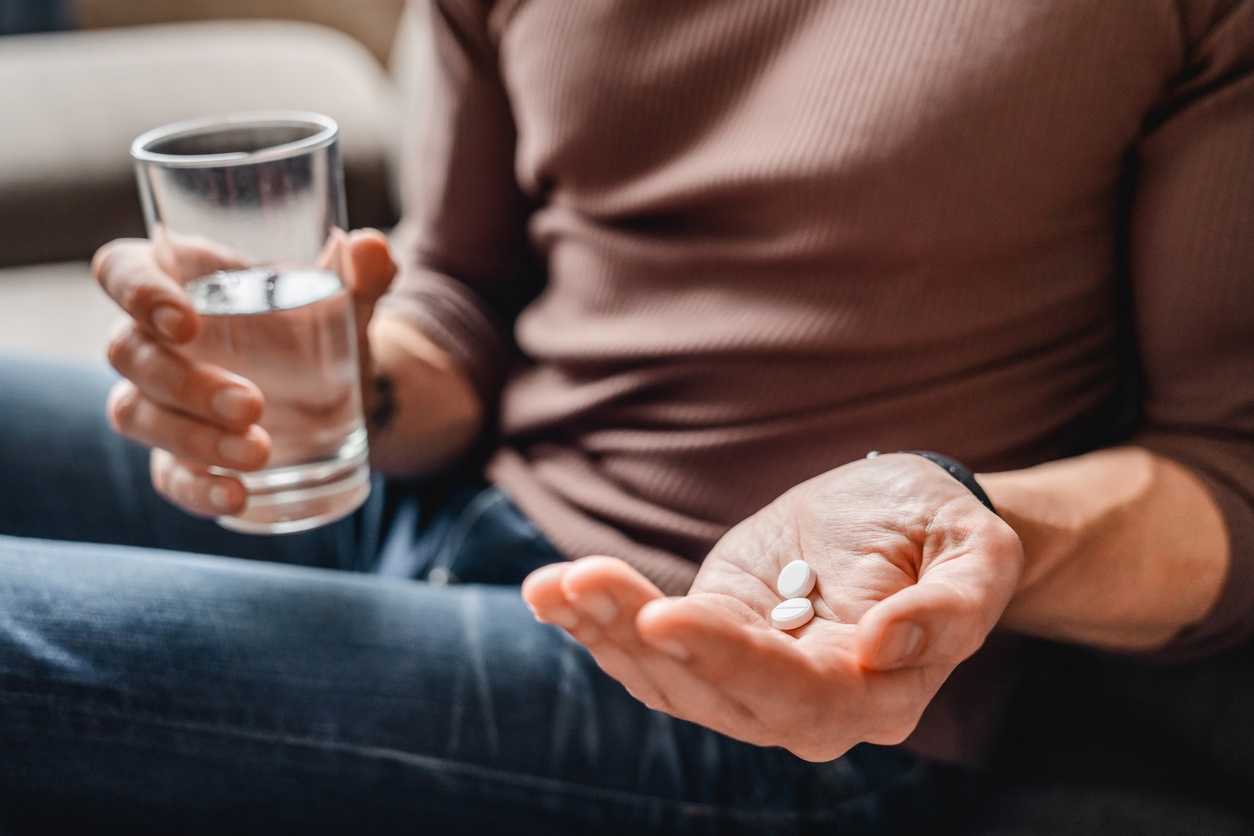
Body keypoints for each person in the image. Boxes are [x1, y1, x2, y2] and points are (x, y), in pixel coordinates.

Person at [2, 0, 1253, 832]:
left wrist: (970, 516)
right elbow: (465, 303)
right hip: (445, 497)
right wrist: (337, 374)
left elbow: (1228, 472)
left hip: (765, 689)